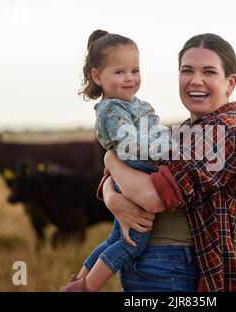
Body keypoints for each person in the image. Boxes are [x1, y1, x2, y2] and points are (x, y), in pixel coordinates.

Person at [100, 33, 236, 292]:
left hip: (174, 269)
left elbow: (151, 197)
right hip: (146, 262)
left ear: (230, 83)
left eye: (209, 72)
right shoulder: (179, 133)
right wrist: (113, 198)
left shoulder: (222, 132)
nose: (196, 80)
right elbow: (122, 173)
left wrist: (110, 158)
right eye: (187, 70)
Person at [62, 29, 171, 292]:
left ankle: (78, 280)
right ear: (98, 76)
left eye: (135, 70)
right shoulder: (112, 109)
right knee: (134, 239)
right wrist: (169, 150)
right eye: (119, 72)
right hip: (132, 172)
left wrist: (167, 138)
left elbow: (155, 128)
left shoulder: (138, 104)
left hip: (130, 172)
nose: (129, 78)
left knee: (115, 235)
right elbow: (131, 142)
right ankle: (88, 287)